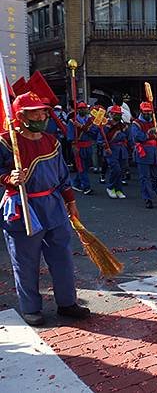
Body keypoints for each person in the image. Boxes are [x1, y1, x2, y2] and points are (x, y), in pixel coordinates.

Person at [0, 92, 90, 326]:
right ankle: (31, 308)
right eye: (37, 111)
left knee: (62, 257)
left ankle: (67, 302)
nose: (43, 115)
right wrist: (8, 178)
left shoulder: (52, 141)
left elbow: (62, 175)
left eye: (44, 111)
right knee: (25, 260)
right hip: (22, 206)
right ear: (20, 116)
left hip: (53, 205)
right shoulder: (6, 141)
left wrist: (71, 202)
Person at [131, 102, 157, 209]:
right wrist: (149, 135)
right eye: (145, 111)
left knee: (156, 176)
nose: (148, 113)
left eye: (149, 111)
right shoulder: (136, 123)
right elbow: (136, 137)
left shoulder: (155, 122)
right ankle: (147, 198)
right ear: (141, 111)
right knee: (145, 177)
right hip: (143, 152)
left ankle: (155, 194)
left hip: (155, 152)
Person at [99, 105, 128, 199]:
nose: (118, 116)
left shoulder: (122, 125)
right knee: (116, 169)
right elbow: (100, 139)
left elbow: (127, 136)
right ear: (111, 114)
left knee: (121, 170)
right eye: (116, 114)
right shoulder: (106, 125)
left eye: (119, 114)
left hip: (122, 149)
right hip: (111, 150)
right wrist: (105, 146)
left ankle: (119, 189)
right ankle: (111, 187)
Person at [67, 102, 96, 195]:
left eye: (84, 108)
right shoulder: (73, 121)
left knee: (86, 167)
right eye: (81, 108)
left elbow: (93, 132)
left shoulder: (90, 121)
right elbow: (70, 134)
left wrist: (82, 127)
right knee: (81, 167)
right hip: (79, 146)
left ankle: (76, 183)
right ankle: (86, 187)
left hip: (88, 146)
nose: (83, 110)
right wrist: (73, 145)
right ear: (77, 110)